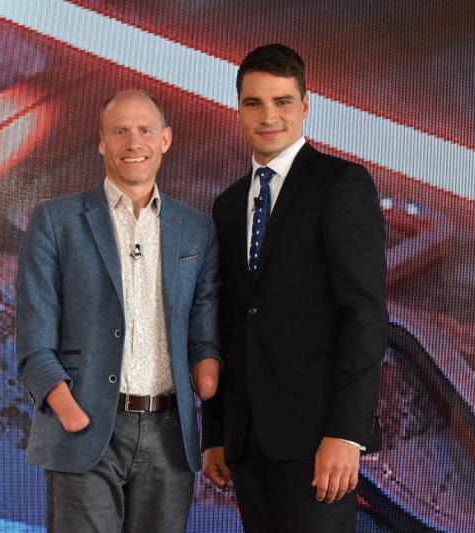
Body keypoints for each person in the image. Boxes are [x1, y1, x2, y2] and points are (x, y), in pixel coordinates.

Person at [201, 44, 388, 533]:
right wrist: (216, 432)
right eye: (254, 103)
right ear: (238, 110)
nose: (268, 116)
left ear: (305, 106)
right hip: (246, 446)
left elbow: (364, 316)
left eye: (282, 101)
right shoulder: (227, 205)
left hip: (318, 443)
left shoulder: (341, 184)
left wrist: (346, 433)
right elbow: (228, 324)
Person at [16, 90, 221, 533]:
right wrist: (70, 412)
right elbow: (34, 340)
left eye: (145, 130)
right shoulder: (55, 220)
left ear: (165, 139)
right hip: (84, 432)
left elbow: (204, 334)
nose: (133, 143)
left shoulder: (197, 230)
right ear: (101, 142)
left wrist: (209, 374)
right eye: (120, 131)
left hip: (170, 439)